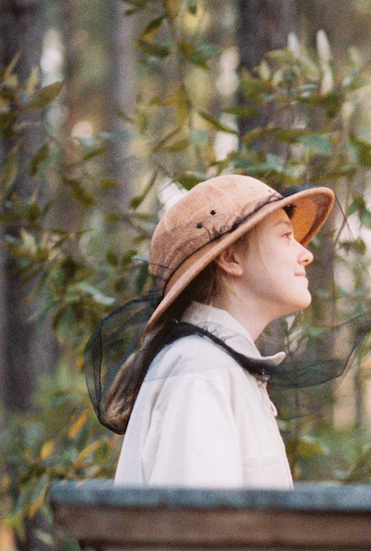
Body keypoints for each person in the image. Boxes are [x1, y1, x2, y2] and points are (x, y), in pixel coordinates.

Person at [88, 174, 333, 489]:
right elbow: (197, 529)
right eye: (285, 236)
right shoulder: (200, 370)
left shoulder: (215, 365)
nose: (306, 254)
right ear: (231, 258)